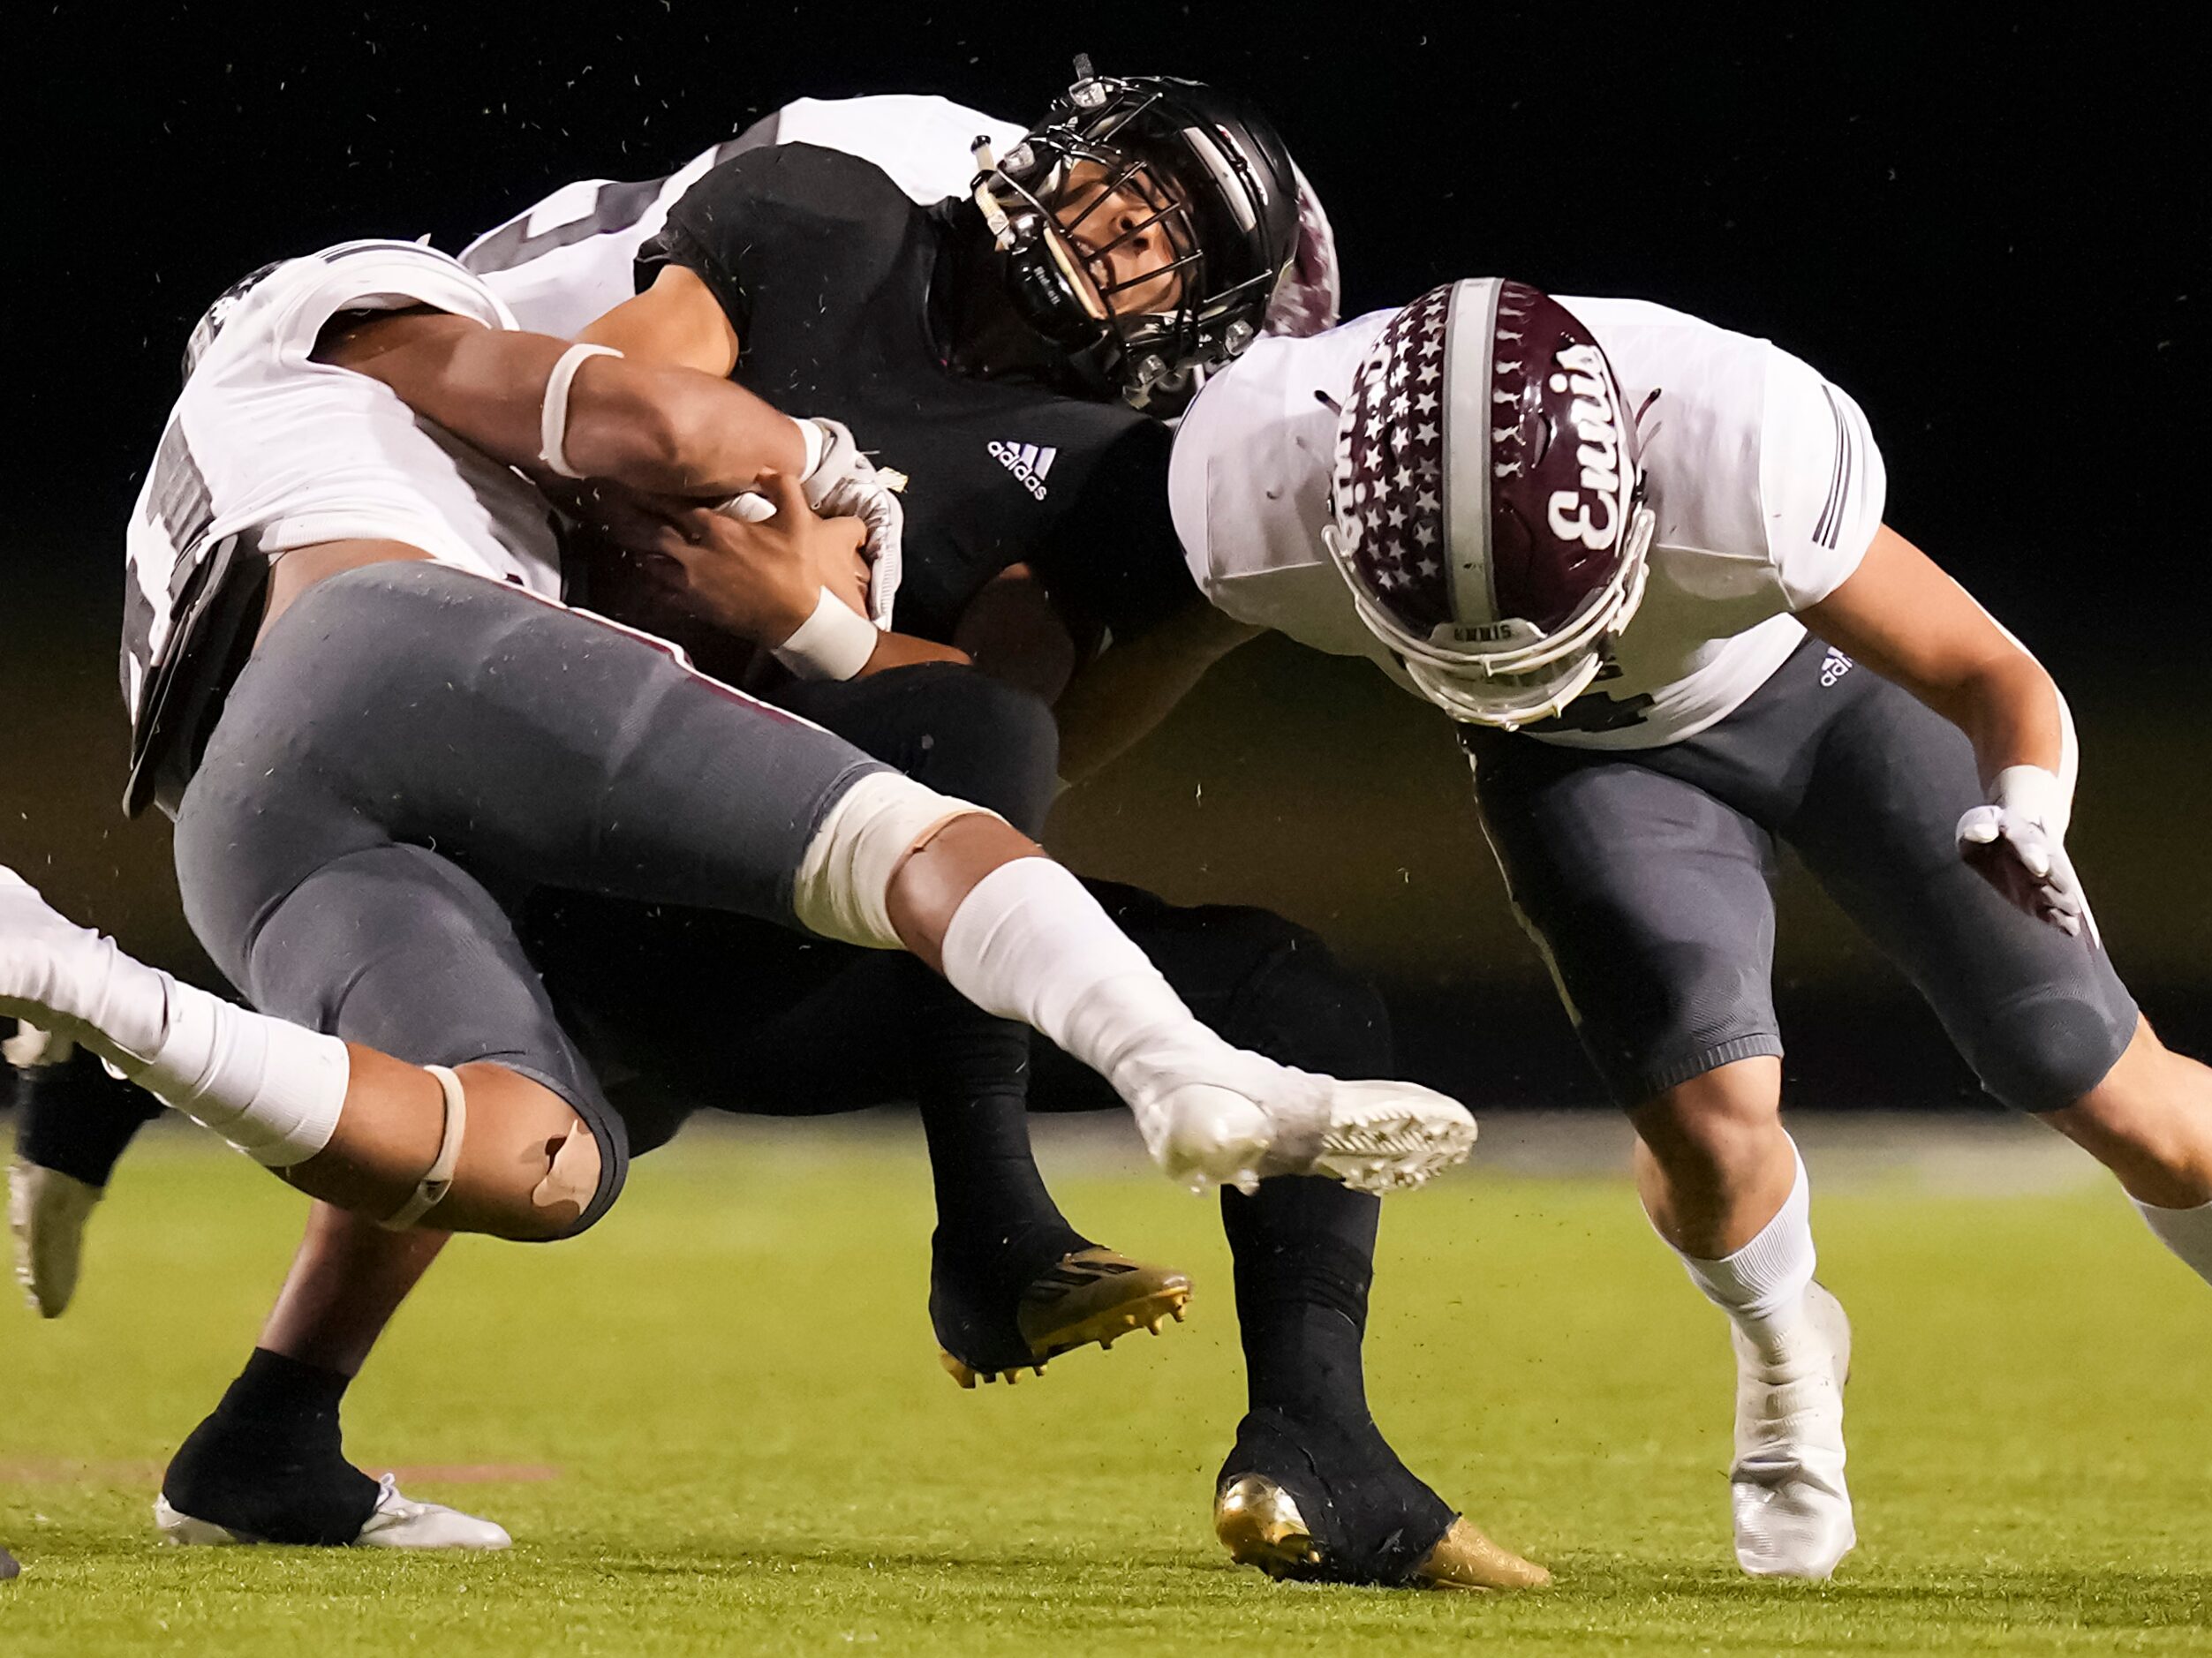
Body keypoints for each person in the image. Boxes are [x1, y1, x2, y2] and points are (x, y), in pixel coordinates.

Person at [0, 236, 1476, 1545]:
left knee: (538, 1158)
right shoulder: (347, 314)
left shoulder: (220, 473)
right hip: (390, 644)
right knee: (911, 822)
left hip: (237, 808)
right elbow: (659, 422)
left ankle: (82, 986)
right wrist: (808, 463)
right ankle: (1183, 1074)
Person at [1168, 275, 2212, 1579]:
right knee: (1711, 1122)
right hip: (1579, 765)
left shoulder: (1744, 453)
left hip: (1822, 695)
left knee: (2094, 1071)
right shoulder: (1249, 489)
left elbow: (1982, 668)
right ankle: (1782, 1343)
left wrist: (2027, 806)